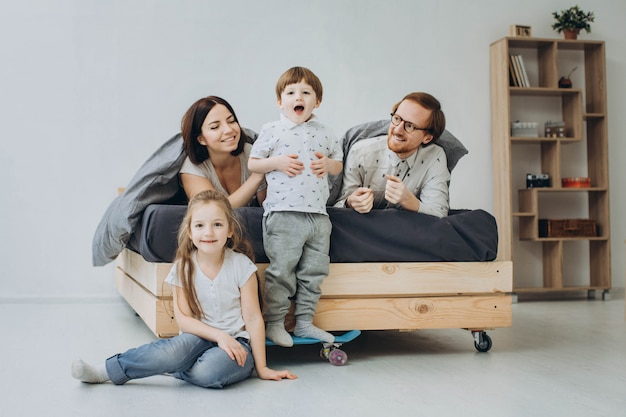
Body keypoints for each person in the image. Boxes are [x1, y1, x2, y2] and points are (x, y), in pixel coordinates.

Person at [72, 190, 297, 388]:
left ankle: (178, 367)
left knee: (209, 372)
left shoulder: (241, 266)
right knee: (173, 352)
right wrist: (219, 336)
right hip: (197, 338)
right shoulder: (184, 267)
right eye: (200, 225)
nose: (208, 232)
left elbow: (253, 318)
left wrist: (262, 367)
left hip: (237, 343)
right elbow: (184, 321)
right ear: (190, 232)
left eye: (217, 224)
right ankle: (106, 371)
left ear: (230, 230)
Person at [248, 66, 343, 347]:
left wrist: (328, 165)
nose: (297, 96)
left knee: (314, 271)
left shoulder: (325, 132)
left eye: (305, 92)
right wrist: (276, 163)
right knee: (282, 272)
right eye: (290, 92)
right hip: (283, 213)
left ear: (317, 101)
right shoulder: (272, 130)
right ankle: (274, 324)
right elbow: (254, 163)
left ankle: (304, 323)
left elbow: (338, 163)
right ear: (280, 101)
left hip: (318, 216)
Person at [335, 92, 450, 218]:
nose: (397, 130)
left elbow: (439, 213)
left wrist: (410, 202)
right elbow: (335, 208)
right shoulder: (360, 152)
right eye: (397, 119)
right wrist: (350, 202)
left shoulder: (434, 157)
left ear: (427, 138)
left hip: (405, 231)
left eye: (410, 126)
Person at [179, 96, 266, 208]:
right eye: (215, 127)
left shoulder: (251, 153)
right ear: (201, 139)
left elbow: (268, 207)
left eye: (231, 121)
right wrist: (257, 177)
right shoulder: (192, 170)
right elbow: (214, 210)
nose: (229, 130)